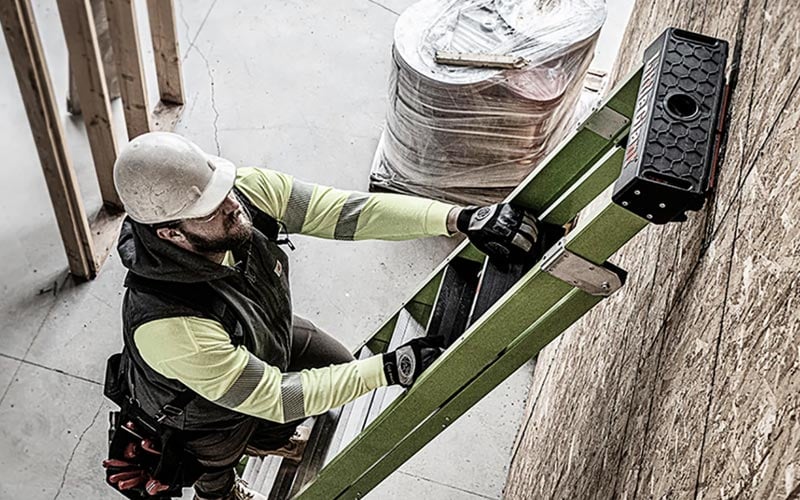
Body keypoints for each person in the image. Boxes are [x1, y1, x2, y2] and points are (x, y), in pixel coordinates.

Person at [108, 132, 540, 500]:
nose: (232, 207)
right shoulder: (171, 326)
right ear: (170, 233)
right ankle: (219, 490)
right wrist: (389, 369)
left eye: (224, 189)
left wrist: (459, 218)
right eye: (211, 209)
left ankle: (267, 441)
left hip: (261, 335)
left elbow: (346, 212)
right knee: (217, 458)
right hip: (200, 410)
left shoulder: (242, 196)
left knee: (335, 368)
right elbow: (277, 397)